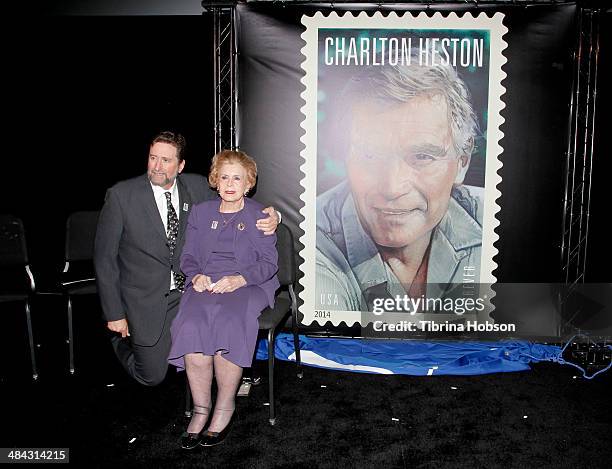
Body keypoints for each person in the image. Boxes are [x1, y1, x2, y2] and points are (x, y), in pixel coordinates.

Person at [94, 131, 279, 386]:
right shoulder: (121, 196)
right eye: (153, 158)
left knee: (215, 330)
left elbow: (235, 197)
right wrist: (115, 314)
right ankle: (121, 341)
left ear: (180, 166)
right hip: (146, 297)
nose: (158, 167)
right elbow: (104, 259)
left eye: (166, 160)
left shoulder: (198, 187)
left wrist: (274, 215)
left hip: (189, 290)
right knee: (152, 376)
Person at [316, 59, 484, 313]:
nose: (392, 188)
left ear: (462, 161)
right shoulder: (310, 238)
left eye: (422, 157)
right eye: (370, 155)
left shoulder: (498, 221)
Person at [167, 149, 279, 449]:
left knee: (229, 322)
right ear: (215, 180)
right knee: (190, 323)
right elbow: (187, 256)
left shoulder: (260, 216)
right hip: (206, 284)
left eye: (237, 178)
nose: (230, 183)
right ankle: (201, 409)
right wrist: (196, 276)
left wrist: (240, 279)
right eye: (224, 176)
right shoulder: (201, 213)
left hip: (248, 283)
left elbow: (270, 263)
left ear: (248, 183)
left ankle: (224, 407)